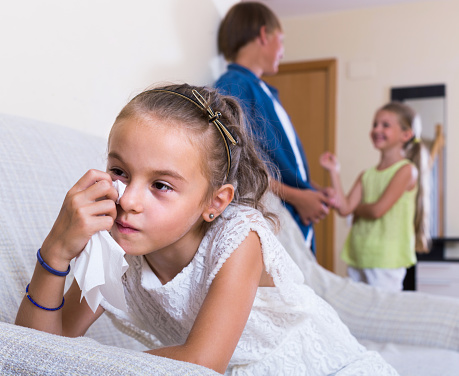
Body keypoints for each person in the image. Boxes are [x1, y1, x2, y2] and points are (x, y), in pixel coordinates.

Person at [15, 84, 397, 375]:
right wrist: (55, 253)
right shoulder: (118, 244)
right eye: (119, 172)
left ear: (215, 202)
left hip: (326, 367)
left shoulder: (239, 239)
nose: (128, 200)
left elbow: (201, 363)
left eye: (160, 185)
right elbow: (43, 349)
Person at [215, 2, 335, 252]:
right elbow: (240, 163)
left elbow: (275, 160)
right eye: (281, 40)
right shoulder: (234, 86)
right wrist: (299, 197)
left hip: (294, 216)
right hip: (279, 216)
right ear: (263, 35)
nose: (282, 51)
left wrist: (312, 191)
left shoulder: (263, 91)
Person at [320, 101, 430, 291]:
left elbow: (377, 210)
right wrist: (334, 172)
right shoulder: (366, 175)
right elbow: (345, 209)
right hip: (358, 254)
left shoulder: (406, 171)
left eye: (385, 125)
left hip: (386, 259)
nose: (377, 129)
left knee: (382, 315)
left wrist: (356, 208)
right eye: (375, 124)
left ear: (406, 134)